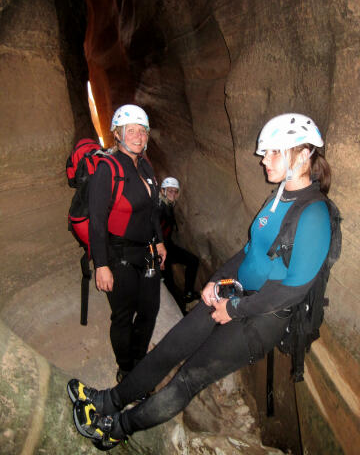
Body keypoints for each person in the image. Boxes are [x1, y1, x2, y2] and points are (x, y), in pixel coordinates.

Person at [67, 113, 340, 451]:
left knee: (188, 379)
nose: (263, 160)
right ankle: (108, 401)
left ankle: (116, 428)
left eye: (272, 152)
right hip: (234, 294)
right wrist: (216, 282)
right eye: (265, 152)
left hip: (261, 318)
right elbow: (250, 251)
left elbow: (293, 290)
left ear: (302, 156)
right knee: (169, 348)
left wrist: (235, 308)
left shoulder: (315, 215)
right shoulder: (279, 194)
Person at [88, 103, 166, 384]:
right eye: (130, 130)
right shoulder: (106, 170)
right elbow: (96, 222)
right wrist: (102, 265)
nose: (138, 136)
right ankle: (126, 370)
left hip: (146, 251)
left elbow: (152, 209)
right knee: (124, 314)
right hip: (118, 252)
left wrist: (159, 242)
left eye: (142, 131)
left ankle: (139, 358)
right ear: (118, 135)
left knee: (150, 308)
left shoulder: (144, 165)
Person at [159, 177, 200, 315]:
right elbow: (151, 233)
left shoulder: (168, 205)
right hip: (159, 251)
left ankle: (188, 294)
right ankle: (181, 312)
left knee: (193, 261)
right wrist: (158, 257)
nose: (173, 194)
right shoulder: (159, 207)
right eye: (170, 191)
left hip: (168, 247)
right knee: (169, 284)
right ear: (162, 191)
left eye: (175, 191)